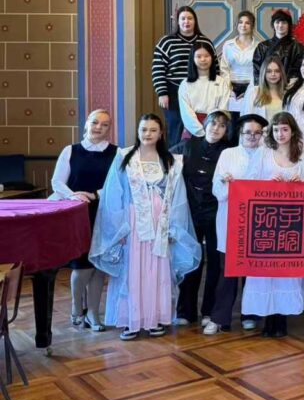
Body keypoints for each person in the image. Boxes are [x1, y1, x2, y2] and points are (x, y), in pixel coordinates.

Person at [90, 114, 201, 341]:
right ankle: (130, 321)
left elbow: (178, 198)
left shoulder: (171, 160)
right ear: (138, 131)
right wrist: (117, 229)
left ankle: (154, 319)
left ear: (161, 133)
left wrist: (174, 228)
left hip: (161, 223)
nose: (147, 134)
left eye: (152, 130)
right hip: (132, 224)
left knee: (157, 270)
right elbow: (113, 195)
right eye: (143, 129)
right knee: (132, 271)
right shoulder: (125, 157)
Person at [242, 112, 304, 338]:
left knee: (285, 270)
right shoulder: (263, 153)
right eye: (275, 130)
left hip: (292, 222)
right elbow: (248, 183)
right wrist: (267, 183)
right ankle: (267, 319)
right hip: (266, 221)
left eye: (284, 129)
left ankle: (281, 319)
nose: (280, 134)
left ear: (292, 131)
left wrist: (301, 182)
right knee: (265, 271)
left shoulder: (302, 154)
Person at [51, 109, 118, 332]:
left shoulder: (116, 153)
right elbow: (57, 182)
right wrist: (75, 195)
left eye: (105, 125)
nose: (99, 127)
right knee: (81, 267)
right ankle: (76, 307)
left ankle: (93, 313)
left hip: (105, 212)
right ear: (87, 123)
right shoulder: (71, 151)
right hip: (77, 214)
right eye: (95, 122)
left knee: (98, 266)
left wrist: (96, 194)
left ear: (109, 129)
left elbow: (118, 185)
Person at [207, 113, 268, 334]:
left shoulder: (268, 155)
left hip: (258, 222)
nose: (252, 136)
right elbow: (216, 190)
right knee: (228, 270)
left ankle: (250, 314)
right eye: (248, 132)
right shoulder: (228, 154)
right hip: (230, 220)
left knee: (253, 271)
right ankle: (220, 318)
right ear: (240, 133)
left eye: (257, 133)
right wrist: (227, 183)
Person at [172, 111, 230, 327]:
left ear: (226, 131)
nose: (216, 128)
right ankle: (185, 311)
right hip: (190, 211)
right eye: (213, 123)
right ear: (205, 125)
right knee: (190, 259)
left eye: (222, 126)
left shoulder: (228, 152)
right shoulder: (187, 146)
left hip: (217, 212)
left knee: (215, 262)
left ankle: (209, 311)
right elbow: (165, 161)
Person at [152, 5, 214, 146]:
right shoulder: (167, 42)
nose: (186, 22)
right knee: (176, 127)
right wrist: (162, 93)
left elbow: (214, 67)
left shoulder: (204, 42)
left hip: (199, 91)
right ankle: (174, 156)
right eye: (183, 18)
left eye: (190, 18)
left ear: (195, 21)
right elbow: (158, 69)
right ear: (178, 21)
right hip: (173, 92)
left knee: (200, 125)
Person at [178, 40, 231, 142]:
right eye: (199, 56)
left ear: (212, 58)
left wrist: (212, 129)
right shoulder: (185, 84)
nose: (203, 59)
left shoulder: (221, 82)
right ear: (192, 58)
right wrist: (201, 132)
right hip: (192, 129)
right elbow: (186, 113)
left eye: (206, 56)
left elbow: (223, 108)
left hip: (215, 128)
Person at [219, 10, 258, 124]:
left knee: (248, 123)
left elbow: (259, 70)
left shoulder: (259, 46)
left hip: (251, 87)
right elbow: (224, 68)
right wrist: (229, 89)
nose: (243, 25)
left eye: (247, 23)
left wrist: (250, 90)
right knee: (231, 125)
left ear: (252, 26)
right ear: (236, 24)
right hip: (231, 88)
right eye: (241, 22)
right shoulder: (228, 45)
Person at [252, 9, 304, 82]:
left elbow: (298, 71)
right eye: (277, 22)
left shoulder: (297, 47)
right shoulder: (262, 46)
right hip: (266, 86)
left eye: (284, 23)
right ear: (273, 25)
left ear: (289, 25)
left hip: (290, 85)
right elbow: (257, 71)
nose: (280, 25)